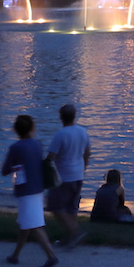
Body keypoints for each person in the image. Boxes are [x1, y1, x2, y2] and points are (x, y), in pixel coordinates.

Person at [1, 114, 58, 267]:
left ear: (16, 130)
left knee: (34, 225)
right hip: (38, 188)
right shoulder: (37, 145)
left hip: (25, 191)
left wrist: (13, 167)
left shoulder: (16, 148)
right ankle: (15, 255)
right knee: (26, 223)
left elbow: (5, 169)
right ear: (32, 128)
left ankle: (51, 256)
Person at [45, 103, 91, 248]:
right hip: (78, 175)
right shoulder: (83, 132)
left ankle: (76, 232)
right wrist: (84, 167)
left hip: (63, 177)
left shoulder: (61, 135)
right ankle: (70, 238)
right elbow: (87, 152)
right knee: (71, 208)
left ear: (61, 117)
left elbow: (51, 157)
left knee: (55, 206)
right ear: (74, 116)